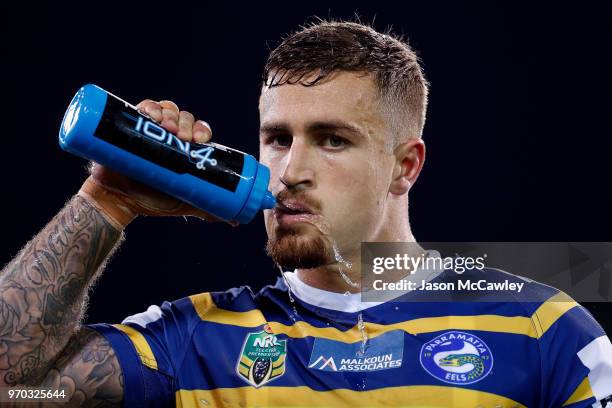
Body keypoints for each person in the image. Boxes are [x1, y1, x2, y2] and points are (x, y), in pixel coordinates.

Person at [1, 20, 611, 407]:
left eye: (332, 139)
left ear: (406, 166)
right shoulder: (193, 341)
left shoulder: (543, 330)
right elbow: (13, 386)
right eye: (276, 138)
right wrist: (107, 201)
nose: (290, 170)